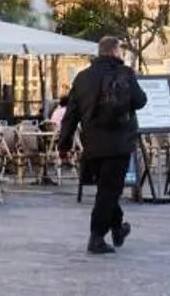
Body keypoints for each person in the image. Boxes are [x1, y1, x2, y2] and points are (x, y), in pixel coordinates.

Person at [58, 35, 144, 256]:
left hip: (92, 144)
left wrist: (64, 144)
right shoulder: (124, 73)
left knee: (106, 189)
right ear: (115, 51)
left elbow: (71, 114)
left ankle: (117, 228)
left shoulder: (82, 77)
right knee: (108, 192)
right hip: (119, 144)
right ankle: (96, 237)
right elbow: (141, 100)